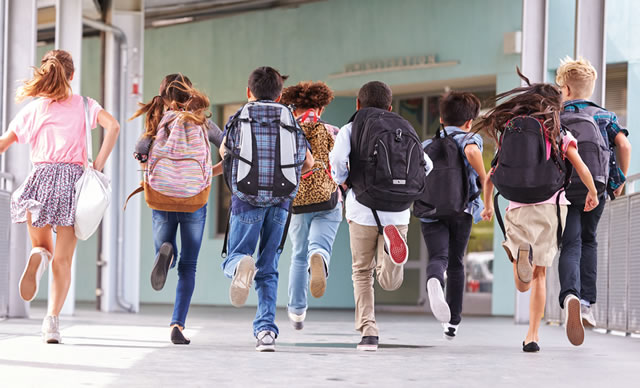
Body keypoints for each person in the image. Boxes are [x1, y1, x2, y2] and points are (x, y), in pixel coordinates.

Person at [0, 50, 120, 343]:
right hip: (73, 185)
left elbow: (4, 143)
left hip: (39, 180)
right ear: (72, 76)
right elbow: (113, 126)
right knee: (63, 261)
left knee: (43, 246)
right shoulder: (84, 105)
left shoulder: (34, 110)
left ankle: (38, 257)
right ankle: (51, 323)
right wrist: (98, 165)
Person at [478, 73, 599, 352]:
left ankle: (522, 261)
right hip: (550, 206)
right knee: (541, 275)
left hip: (516, 207)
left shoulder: (511, 130)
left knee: (523, 283)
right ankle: (535, 334)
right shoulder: (558, 131)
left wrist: (486, 206)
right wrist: (591, 192)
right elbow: (580, 166)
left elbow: (490, 177)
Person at [330, 81, 433, 351]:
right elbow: (427, 165)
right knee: (390, 281)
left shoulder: (351, 128)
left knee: (362, 272)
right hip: (398, 212)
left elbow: (337, 160)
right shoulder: (403, 127)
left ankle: (369, 331)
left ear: (357, 104)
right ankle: (391, 255)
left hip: (362, 208)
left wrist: (342, 180)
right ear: (390, 106)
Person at [219, 67, 314, 352]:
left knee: (235, 255)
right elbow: (307, 161)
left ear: (249, 92)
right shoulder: (289, 118)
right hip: (281, 201)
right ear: (280, 94)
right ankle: (265, 333)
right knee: (269, 265)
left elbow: (225, 152)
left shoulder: (240, 116)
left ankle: (239, 266)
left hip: (246, 198)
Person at [130, 73, 222, 345]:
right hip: (195, 197)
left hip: (162, 196)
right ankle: (178, 325)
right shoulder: (202, 122)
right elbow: (229, 148)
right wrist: (210, 173)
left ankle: (165, 254)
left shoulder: (156, 122)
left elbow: (141, 152)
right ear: (189, 95)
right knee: (189, 266)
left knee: (164, 246)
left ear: (164, 97)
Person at [555, 57, 632, 341]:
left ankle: (570, 295)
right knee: (589, 241)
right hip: (596, 189)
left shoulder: (556, 116)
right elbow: (624, 144)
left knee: (570, 244)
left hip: (564, 189)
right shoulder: (606, 116)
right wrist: (619, 179)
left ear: (565, 89)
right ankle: (586, 306)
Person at [417, 91, 486, 340]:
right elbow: (471, 153)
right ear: (469, 121)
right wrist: (484, 177)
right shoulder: (470, 138)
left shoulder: (426, 145)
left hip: (431, 210)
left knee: (439, 257)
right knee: (457, 263)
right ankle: (453, 322)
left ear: (441, 121)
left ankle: (435, 279)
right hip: (461, 209)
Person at [280, 81, 343, 330]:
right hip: (328, 199)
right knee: (319, 245)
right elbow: (342, 168)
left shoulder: (287, 131)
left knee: (297, 255)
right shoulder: (332, 131)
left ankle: (296, 311)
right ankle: (319, 256)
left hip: (297, 202)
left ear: (293, 107)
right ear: (321, 107)